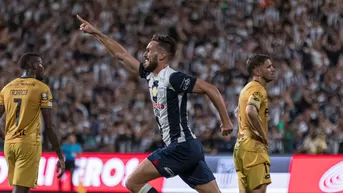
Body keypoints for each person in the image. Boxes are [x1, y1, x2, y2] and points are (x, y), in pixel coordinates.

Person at [77, 15, 234, 193]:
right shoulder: (149, 74)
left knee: (132, 183)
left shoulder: (173, 78)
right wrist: (96, 33)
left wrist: (226, 120)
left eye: (149, 50)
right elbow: (121, 55)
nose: (144, 54)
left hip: (180, 147)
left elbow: (210, 88)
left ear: (161, 56)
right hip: (189, 148)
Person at [0, 53, 65, 193]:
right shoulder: (41, 88)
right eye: (41, 64)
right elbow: (49, 125)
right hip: (28, 144)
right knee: (20, 190)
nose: (43, 68)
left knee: (21, 187)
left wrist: (5, 137)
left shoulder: (7, 88)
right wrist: (59, 154)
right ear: (33, 66)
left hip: (10, 145)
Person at [233, 54, 275, 193]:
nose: (273, 69)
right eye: (268, 67)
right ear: (257, 72)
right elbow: (250, 111)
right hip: (253, 147)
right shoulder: (258, 89)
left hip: (240, 146)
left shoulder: (246, 88)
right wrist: (262, 135)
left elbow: (237, 112)